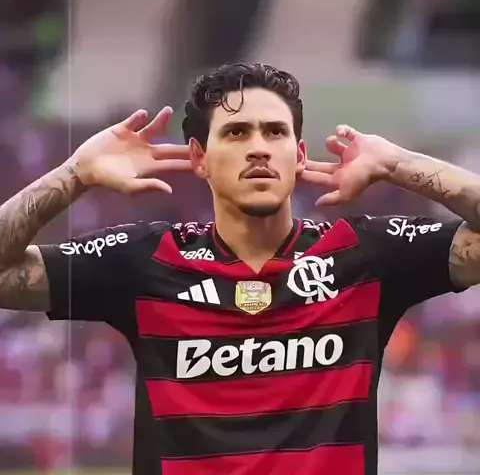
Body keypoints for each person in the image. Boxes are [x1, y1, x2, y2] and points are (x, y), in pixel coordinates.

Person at [0, 62, 479, 475]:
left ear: (299, 155)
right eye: (236, 132)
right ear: (199, 159)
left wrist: (397, 164)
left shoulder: (364, 254)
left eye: (275, 132)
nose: (259, 148)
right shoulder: (144, 259)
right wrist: (75, 174)